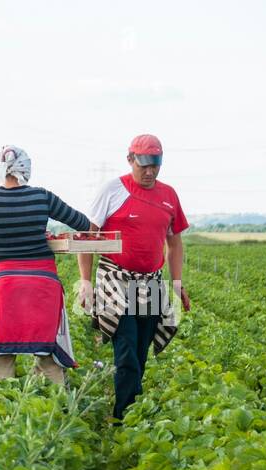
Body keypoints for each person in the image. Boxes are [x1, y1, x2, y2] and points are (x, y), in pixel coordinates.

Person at [77, 133, 191, 421]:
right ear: (130, 160)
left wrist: (176, 283)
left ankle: (133, 408)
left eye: (155, 165)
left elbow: (174, 243)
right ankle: (124, 416)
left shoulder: (169, 195)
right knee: (126, 349)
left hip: (151, 282)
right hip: (116, 280)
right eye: (143, 165)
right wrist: (86, 283)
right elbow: (88, 237)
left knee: (140, 351)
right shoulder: (112, 190)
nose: (150, 171)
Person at [0, 146, 92, 387]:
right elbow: (82, 222)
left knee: (0, 362)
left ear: (1, 171)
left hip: (3, 289)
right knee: (49, 360)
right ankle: (55, 410)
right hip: (42, 287)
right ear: (26, 168)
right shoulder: (42, 197)